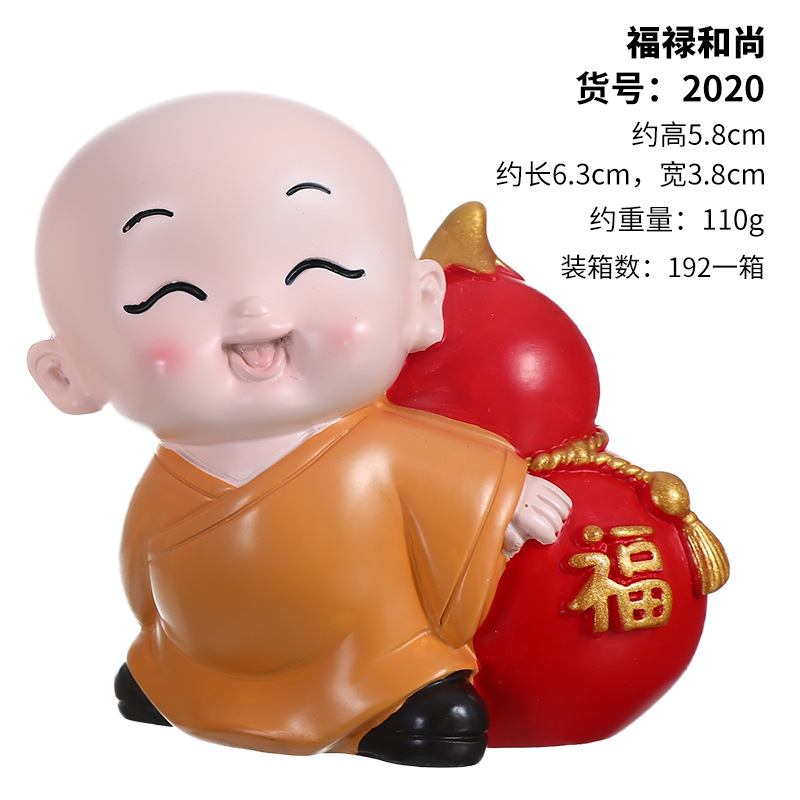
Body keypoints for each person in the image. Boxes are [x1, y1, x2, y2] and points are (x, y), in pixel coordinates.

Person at [28, 93, 570, 767]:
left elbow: (452, 479)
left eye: (317, 270)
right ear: (67, 374)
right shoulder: (173, 477)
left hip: (365, 660)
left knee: (401, 681)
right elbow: (144, 571)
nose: (255, 311)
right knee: (172, 641)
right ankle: (178, 680)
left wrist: (503, 495)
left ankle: (396, 701)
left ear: (419, 304)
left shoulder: (381, 448)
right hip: (194, 648)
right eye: (170, 293)